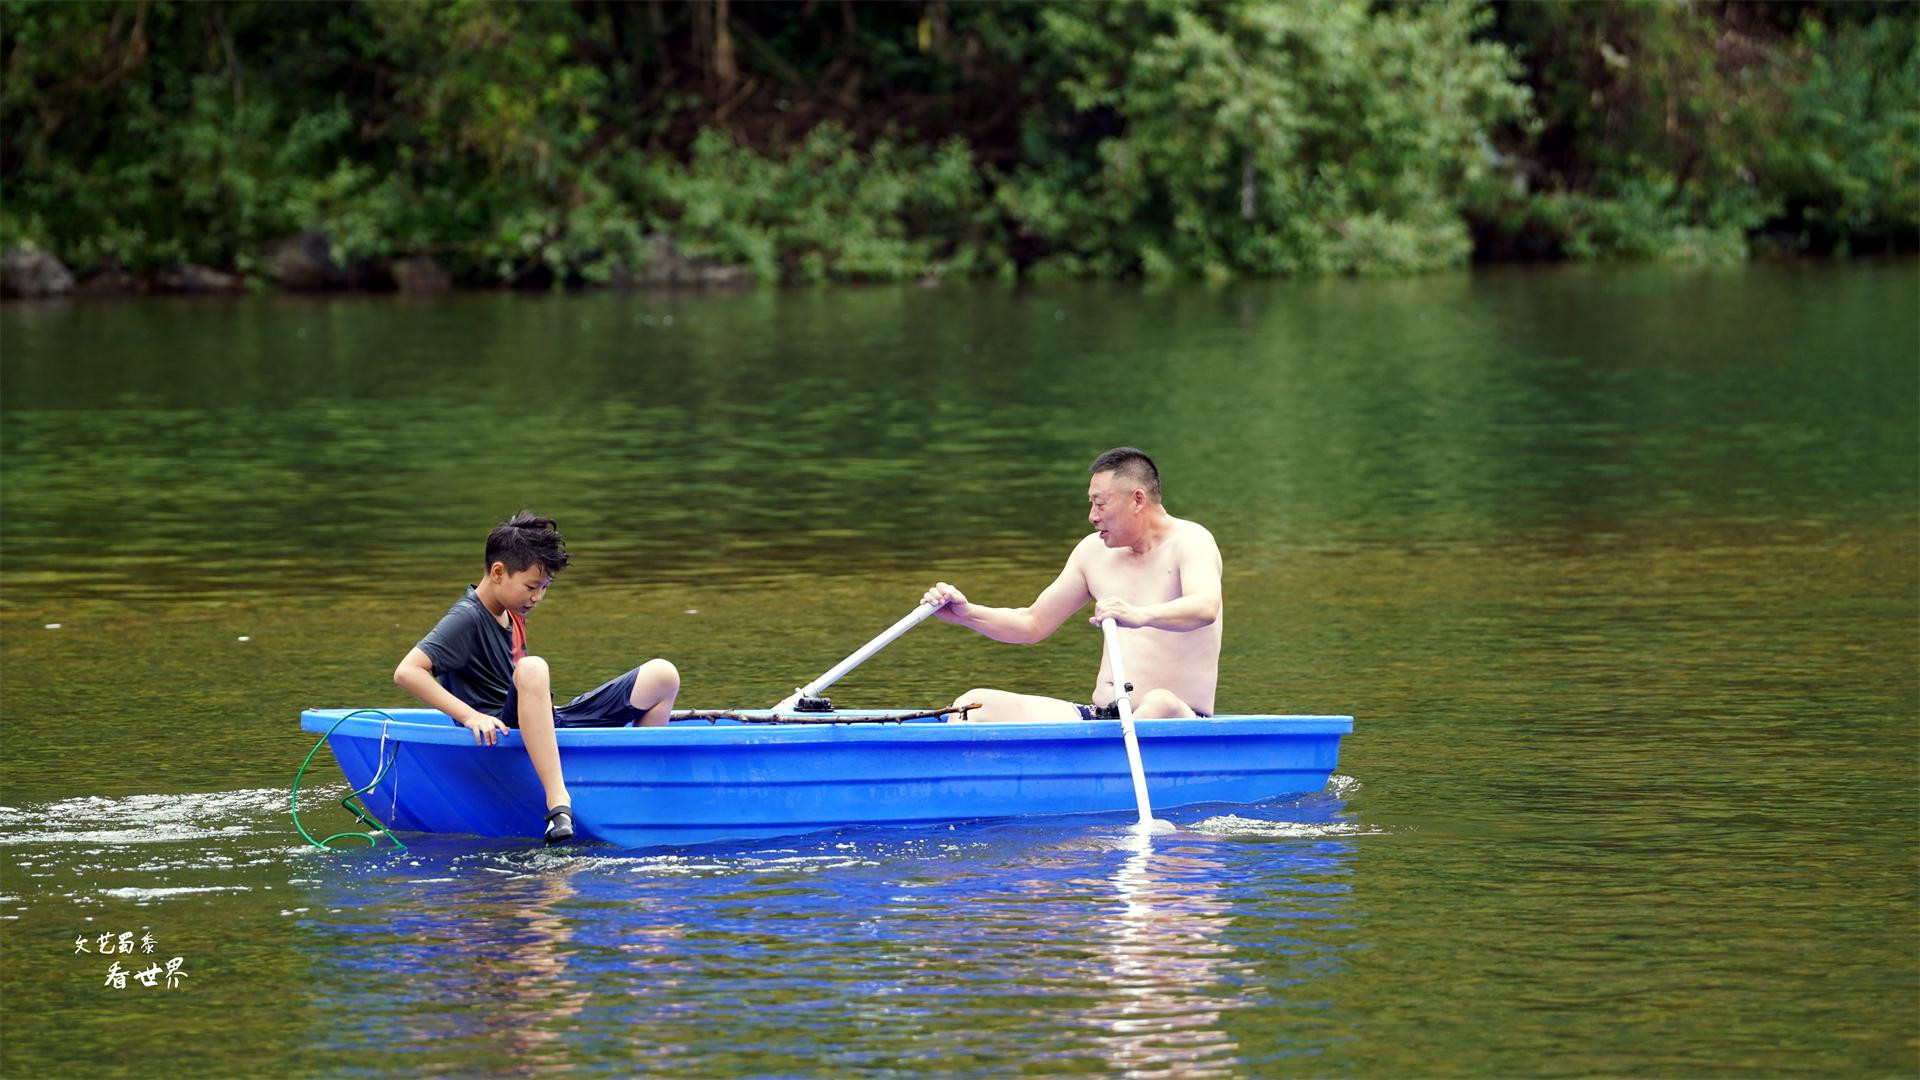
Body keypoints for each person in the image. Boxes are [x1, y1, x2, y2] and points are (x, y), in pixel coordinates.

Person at [393, 511, 681, 843]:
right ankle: (559, 804)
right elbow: (407, 671)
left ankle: (643, 788)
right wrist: (470, 716)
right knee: (533, 668)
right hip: (502, 728)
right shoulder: (466, 617)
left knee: (663, 675)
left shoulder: (511, 613)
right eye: (532, 586)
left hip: (542, 720)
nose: (538, 597)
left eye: (544, 588)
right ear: (498, 572)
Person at [921, 447, 1221, 723]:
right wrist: (967, 614)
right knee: (973, 705)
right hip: (1104, 717)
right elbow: (1032, 623)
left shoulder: (1191, 541)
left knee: (1160, 703)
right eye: (1091, 504)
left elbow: (1204, 608)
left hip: (1179, 719)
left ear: (1138, 500)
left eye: (1100, 504)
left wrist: (1139, 615)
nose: (1092, 516)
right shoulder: (1093, 552)